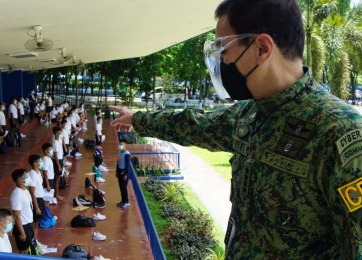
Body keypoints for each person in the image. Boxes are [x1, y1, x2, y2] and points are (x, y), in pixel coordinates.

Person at [109, 0, 362, 258]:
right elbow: (193, 125)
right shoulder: (249, 114)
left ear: (262, 48)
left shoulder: (338, 132)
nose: (221, 61)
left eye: (224, 49)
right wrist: (138, 119)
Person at [10, 168, 36, 254]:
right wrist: (22, 233)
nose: (28, 177)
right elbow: (17, 215)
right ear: (20, 180)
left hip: (27, 225)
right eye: (26, 176)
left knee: (27, 247)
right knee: (23, 250)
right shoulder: (17, 194)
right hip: (22, 227)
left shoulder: (24, 190)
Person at [27, 154, 45, 241]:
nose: (41, 163)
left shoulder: (38, 172)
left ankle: (35, 239)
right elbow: (32, 191)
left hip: (40, 198)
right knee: (34, 221)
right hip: (36, 199)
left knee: (37, 221)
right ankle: (34, 240)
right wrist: (36, 207)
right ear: (34, 163)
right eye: (39, 161)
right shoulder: (32, 174)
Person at [115, 139, 131, 208]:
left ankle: (126, 201)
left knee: (124, 188)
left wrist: (125, 174)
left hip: (124, 172)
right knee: (121, 188)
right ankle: (123, 200)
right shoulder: (119, 152)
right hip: (119, 171)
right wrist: (116, 171)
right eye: (120, 144)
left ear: (125, 145)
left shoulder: (127, 154)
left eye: (122, 144)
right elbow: (118, 162)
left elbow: (127, 166)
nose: (120, 145)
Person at [52, 127, 64, 201]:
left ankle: (57, 194)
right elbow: (55, 155)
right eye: (58, 133)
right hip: (57, 161)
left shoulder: (59, 140)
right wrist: (59, 166)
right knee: (57, 178)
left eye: (60, 133)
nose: (60, 134)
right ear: (55, 134)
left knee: (58, 178)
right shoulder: (55, 143)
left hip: (61, 159)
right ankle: (56, 194)